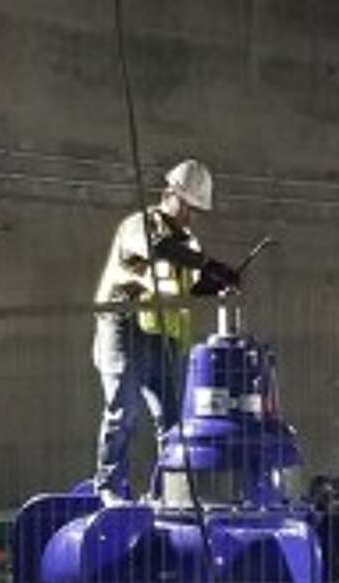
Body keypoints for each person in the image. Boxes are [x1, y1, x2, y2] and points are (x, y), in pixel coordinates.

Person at [92, 159, 243, 500]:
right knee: (123, 411)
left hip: (163, 337)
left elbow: (189, 289)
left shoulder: (188, 244)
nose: (189, 216)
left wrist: (215, 283)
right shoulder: (140, 225)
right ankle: (108, 488)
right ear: (168, 194)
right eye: (186, 206)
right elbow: (157, 248)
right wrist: (209, 264)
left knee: (173, 422)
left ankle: (169, 492)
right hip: (124, 326)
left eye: (195, 210)